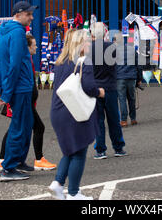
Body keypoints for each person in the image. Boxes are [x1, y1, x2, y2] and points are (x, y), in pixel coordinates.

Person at [49, 29, 105, 200]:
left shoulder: (60, 61)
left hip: (58, 111)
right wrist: (100, 92)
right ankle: (73, 193)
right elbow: (89, 87)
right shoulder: (84, 62)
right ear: (79, 44)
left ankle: (58, 184)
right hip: (73, 112)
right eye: (87, 41)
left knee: (70, 150)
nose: (89, 44)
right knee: (79, 152)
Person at [0, 34, 56, 171]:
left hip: (27, 101)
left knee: (19, 128)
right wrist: (6, 95)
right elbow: (12, 76)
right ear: (27, 47)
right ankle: (35, 160)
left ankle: (7, 159)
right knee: (35, 127)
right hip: (23, 100)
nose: (36, 47)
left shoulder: (28, 60)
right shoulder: (22, 60)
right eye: (34, 45)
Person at [0, 1, 37, 182]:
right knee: (19, 126)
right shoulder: (18, 32)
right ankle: (9, 168)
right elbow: (15, 64)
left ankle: (17, 161)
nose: (31, 17)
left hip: (16, 87)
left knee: (26, 124)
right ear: (18, 15)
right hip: (21, 87)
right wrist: (5, 93)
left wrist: (1, 89)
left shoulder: (4, 32)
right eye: (28, 14)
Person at [89, 22, 127, 159]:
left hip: (95, 87)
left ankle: (100, 150)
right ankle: (118, 147)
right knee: (114, 119)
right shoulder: (112, 47)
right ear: (105, 33)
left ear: (92, 34)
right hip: (110, 86)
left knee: (98, 120)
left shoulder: (88, 49)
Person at [115, 33, 142, 127]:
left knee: (122, 99)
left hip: (120, 78)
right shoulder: (132, 50)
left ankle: (123, 120)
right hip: (131, 77)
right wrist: (139, 79)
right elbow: (138, 65)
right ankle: (133, 119)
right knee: (131, 98)